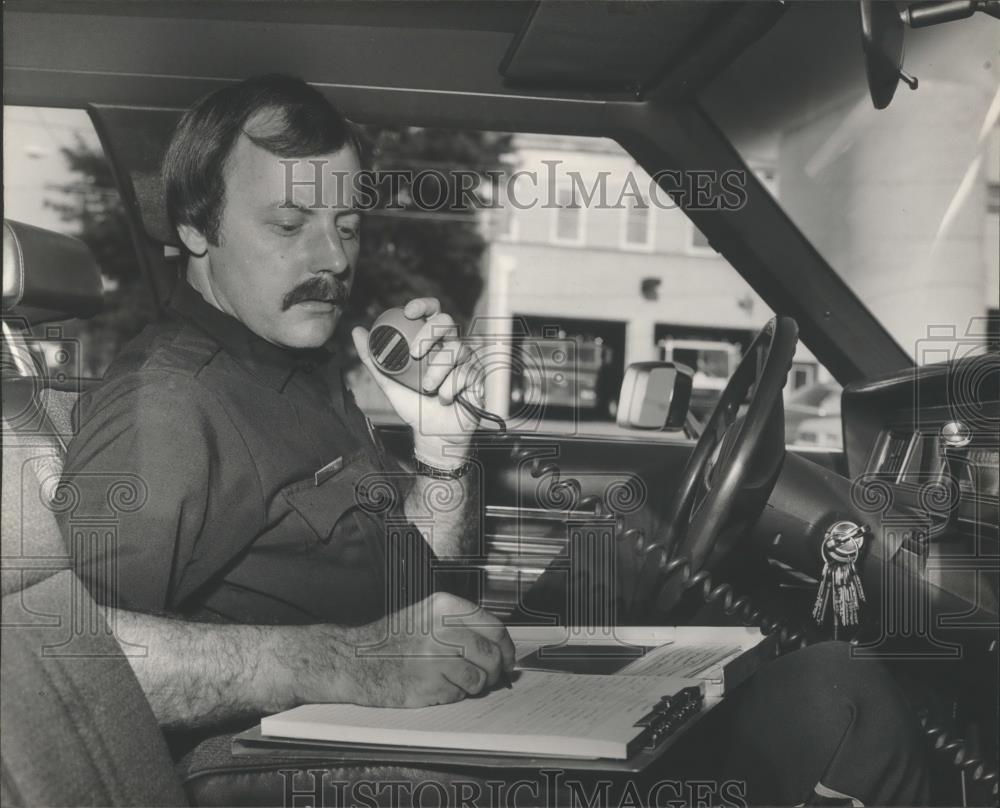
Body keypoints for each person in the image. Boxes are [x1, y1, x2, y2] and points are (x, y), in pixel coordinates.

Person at [57, 74, 928, 805]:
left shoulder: (293, 371)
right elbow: (60, 655)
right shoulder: (168, 403)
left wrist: (441, 454)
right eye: (289, 226)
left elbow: (413, 579)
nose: (331, 256)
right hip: (305, 771)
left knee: (712, 612)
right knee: (831, 694)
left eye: (348, 223)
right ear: (196, 229)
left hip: (404, 729)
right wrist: (344, 660)